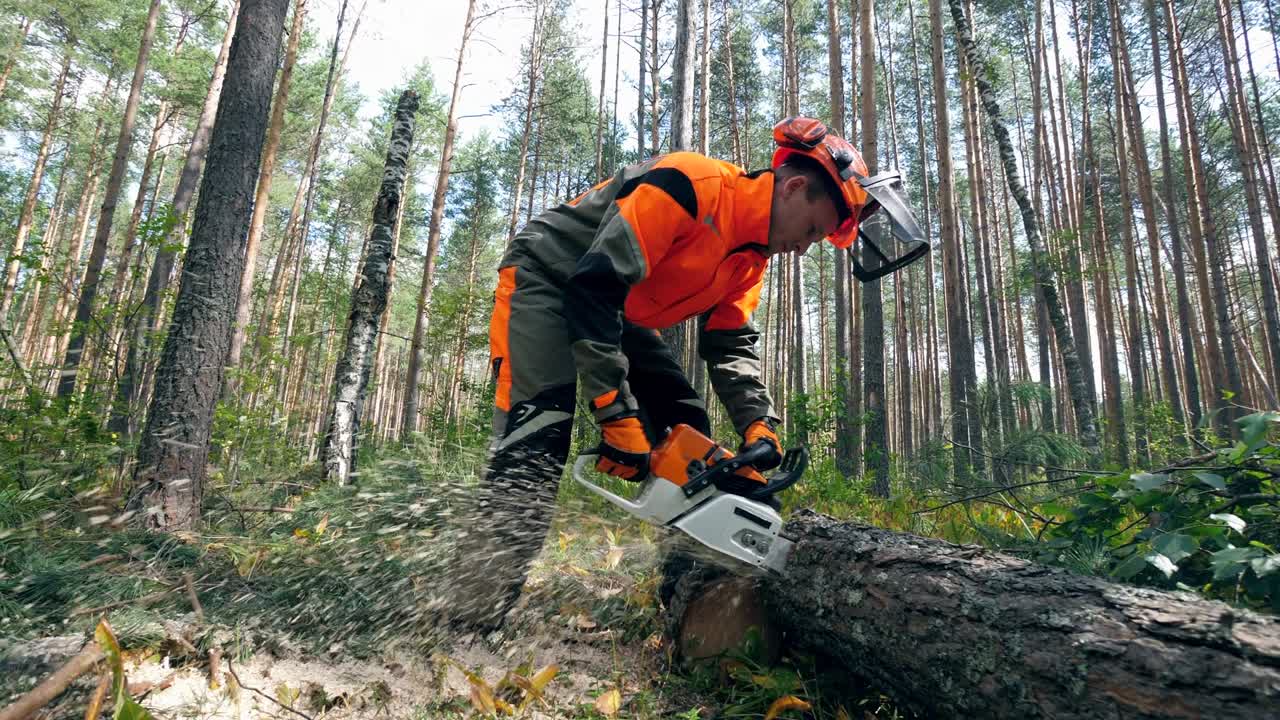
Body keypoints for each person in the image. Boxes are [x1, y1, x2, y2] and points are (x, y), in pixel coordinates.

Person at [448, 116, 928, 631]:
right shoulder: (690, 185)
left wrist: (758, 426)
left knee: (687, 430)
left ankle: (689, 594)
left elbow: (731, 345)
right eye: (813, 229)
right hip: (550, 279)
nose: (806, 245)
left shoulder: (750, 261)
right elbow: (593, 287)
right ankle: (470, 619)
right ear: (792, 187)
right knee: (535, 445)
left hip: (614, 307)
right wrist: (617, 416)